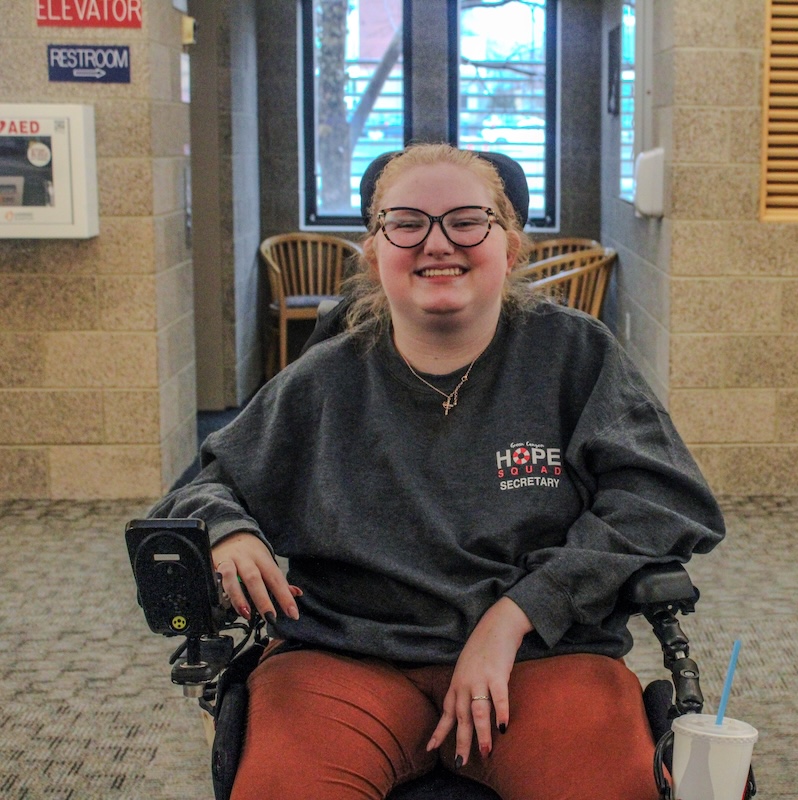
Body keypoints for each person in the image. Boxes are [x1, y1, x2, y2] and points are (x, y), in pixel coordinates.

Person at [148, 143, 725, 800]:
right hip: (347, 656)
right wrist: (227, 529)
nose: (437, 243)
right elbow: (196, 489)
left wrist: (516, 616)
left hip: (541, 659)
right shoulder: (327, 376)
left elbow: (665, 499)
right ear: (374, 253)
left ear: (508, 249)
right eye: (407, 223)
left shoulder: (572, 355)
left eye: (466, 220)